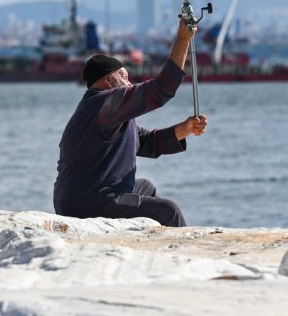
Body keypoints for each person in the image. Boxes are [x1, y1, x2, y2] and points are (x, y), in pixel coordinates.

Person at [53, 18, 207, 227]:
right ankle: (185, 255)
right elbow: (162, 89)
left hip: (83, 197)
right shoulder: (104, 102)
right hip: (89, 202)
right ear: (108, 81)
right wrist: (182, 39)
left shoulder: (105, 111)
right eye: (124, 77)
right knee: (169, 211)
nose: (129, 83)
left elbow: (146, 142)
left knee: (146, 188)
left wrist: (186, 128)